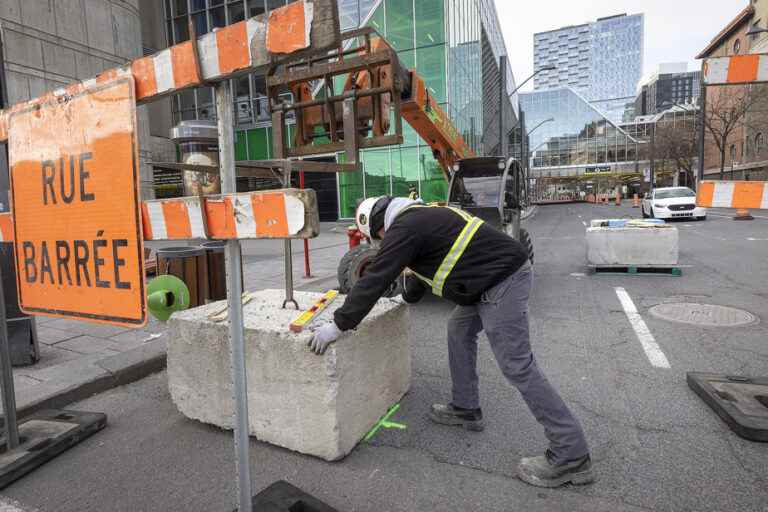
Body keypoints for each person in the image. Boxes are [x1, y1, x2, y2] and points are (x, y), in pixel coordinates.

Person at [309, 196, 593, 488]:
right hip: (485, 280)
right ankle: (466, 408)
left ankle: (571, 454)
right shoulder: (419, 218)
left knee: (517, 366)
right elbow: (423, 268)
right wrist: (404, 298)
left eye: (378, 237)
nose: (382, 242)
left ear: (380, 224)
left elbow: (376, 277)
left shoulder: (406, 226)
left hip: (503, 280)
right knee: (458, 329)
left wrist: (338, 325)